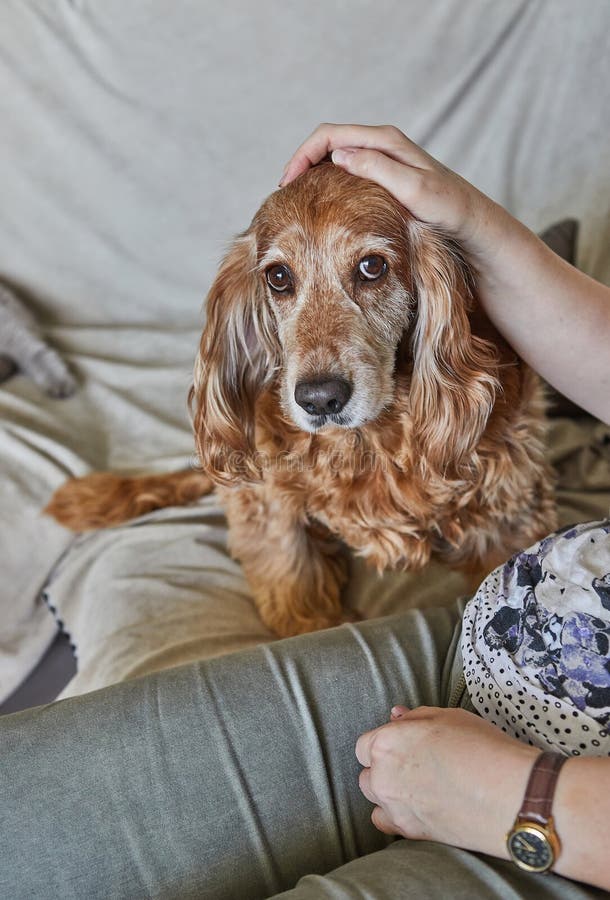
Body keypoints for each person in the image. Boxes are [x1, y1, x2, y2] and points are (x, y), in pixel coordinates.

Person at [1, 125, 609, 900]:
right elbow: (263, 495)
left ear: (425, 285)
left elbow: (509, 521)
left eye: (370, 269)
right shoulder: (276, 405)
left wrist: (521, 802)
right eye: (283, 280)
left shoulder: (473, 388)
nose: (318, 365)